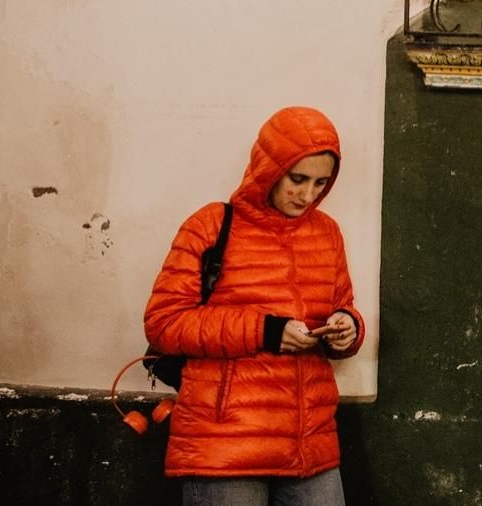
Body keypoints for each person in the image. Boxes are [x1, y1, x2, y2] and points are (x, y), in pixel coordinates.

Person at [144, 106, 364, 506]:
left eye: (320, 183)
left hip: (308, 445)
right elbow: (164, 323)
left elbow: (342, 305)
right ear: (268, 168)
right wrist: (268, 331)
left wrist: (346, 327)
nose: (308, 194)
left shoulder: (327, 233)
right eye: (298, 179)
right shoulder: (211, 225)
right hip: (224, 447)